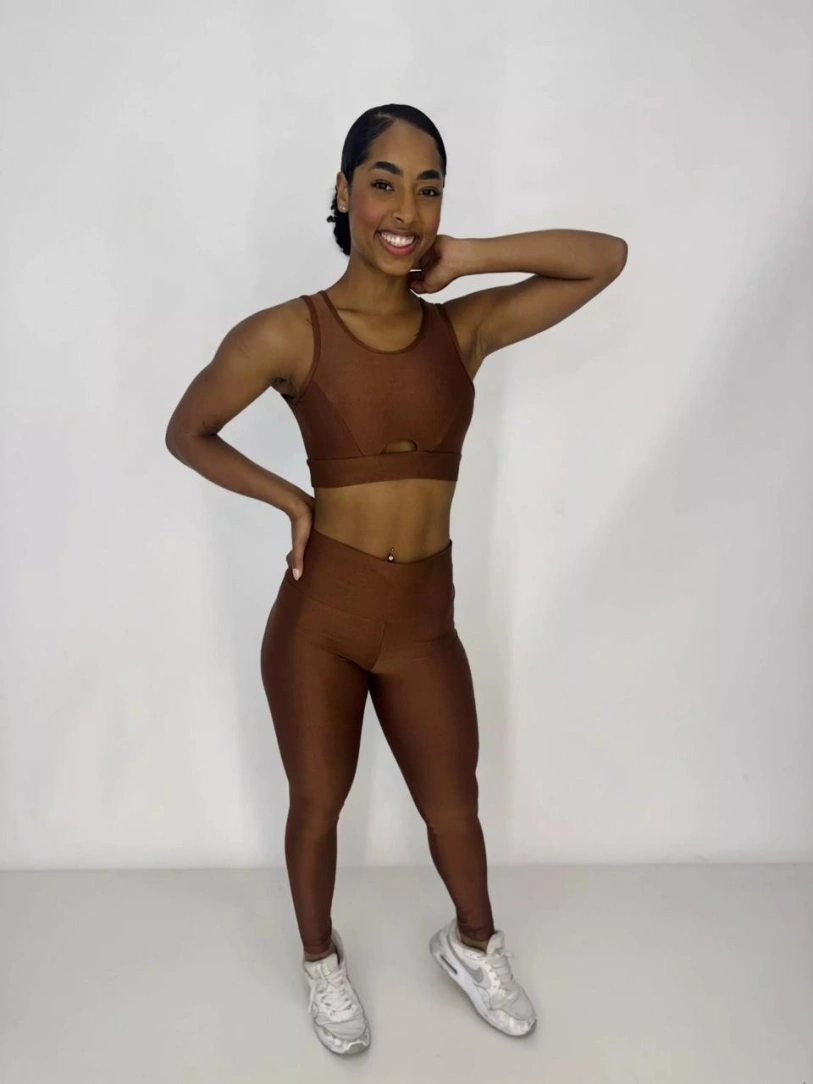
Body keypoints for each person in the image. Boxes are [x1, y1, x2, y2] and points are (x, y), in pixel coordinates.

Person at [165, 103, 627, 1056]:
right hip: (322, 619)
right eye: (383, 183)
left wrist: (470, 256)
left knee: (452, 803)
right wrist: (290, 500)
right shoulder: (289, 332)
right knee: (318, 803)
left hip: (422, 622)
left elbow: (604, 257)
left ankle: (473, 944)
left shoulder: (462, 332)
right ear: (343, 193)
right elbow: (188, 431)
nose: (405, 209)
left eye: (428, 187)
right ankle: (320, 960)